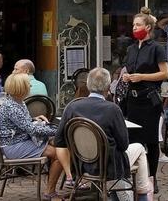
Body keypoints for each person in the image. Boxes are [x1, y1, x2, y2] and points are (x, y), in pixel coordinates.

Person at [55, 68, 152, 200]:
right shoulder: (112, 109)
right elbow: (123, 145)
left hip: (81, 164)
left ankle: (126, 194)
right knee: (140, 148)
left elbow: (59, 141)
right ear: (107, 87)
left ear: (88, 85)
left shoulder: (72, 107)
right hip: (109, 165)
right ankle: (142, 195)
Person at [0, 73, 66, 200]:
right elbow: (31, 129)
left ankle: (63, 181)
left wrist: (35, 120)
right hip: (13, 146)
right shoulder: (13, 107)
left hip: (18, 141)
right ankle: (50, 192)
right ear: (21, 88)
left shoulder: (17, 102)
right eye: (27, 84)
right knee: (57, 154)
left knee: (57, 145)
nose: (29, 86)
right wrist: (56, 130)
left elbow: (25, 124)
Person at [123, 10, 168, 182]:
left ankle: (152, 177)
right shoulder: (131, 48)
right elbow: (129, 69)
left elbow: (165, 74)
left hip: (149, 100)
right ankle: (136, 176)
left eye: (138, 25)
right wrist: (127, 76)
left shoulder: (157, 48)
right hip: (133, 99)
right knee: (133, 139)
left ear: (148, 27)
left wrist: (142, 77)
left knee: (151, 140)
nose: (134, 28)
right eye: (133, 25)